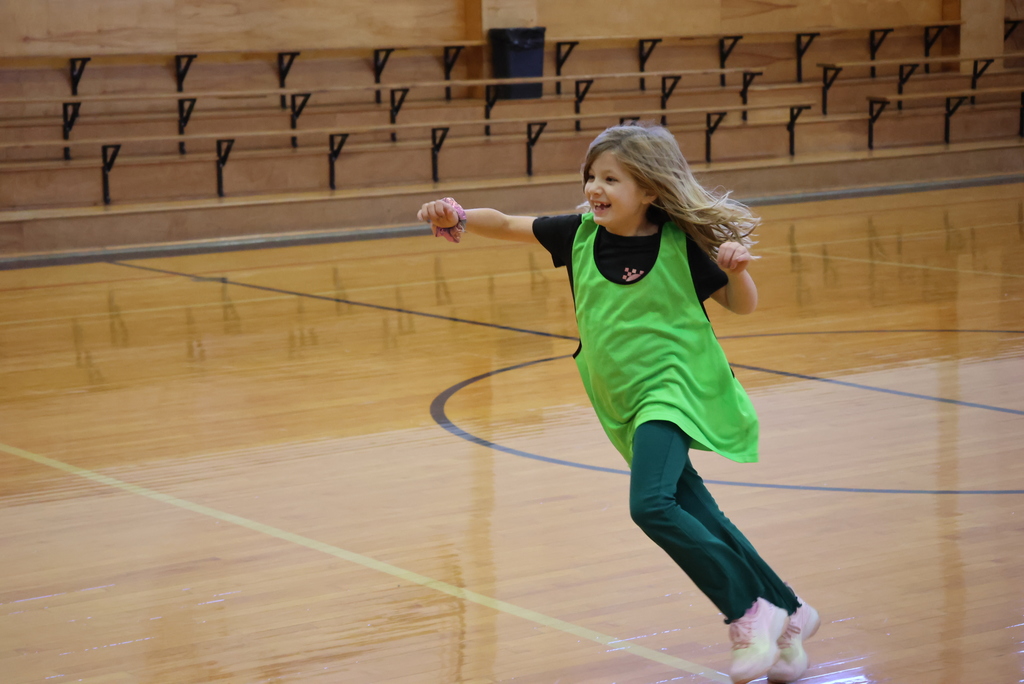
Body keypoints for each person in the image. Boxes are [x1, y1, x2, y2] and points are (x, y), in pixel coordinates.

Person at [417, 122, 819, 684]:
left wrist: (738, 273)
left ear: (649, 189)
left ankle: (750, 610)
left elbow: (741, 305)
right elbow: (507, 223)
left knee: (651, 504)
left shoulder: (680, 243)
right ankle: (790, 611)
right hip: (620, 398)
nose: (594, 188)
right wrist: (457, 215)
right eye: (591, 176)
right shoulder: (578, 234)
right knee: (695, 508)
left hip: (675, 389)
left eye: (611, 179)